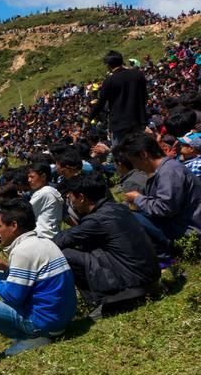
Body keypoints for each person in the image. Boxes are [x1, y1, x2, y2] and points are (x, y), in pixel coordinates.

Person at [0, 200, 77, 357]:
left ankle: (31, 336)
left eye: (0, 226)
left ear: (14, 226)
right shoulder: (43, 242)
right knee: (2, 276)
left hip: (45, 323)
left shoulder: (22, 250)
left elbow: (13, 297)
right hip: (61, 319)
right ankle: (35, 334)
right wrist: (5, 268)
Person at [53, 175, 160, 317]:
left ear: (82, 197)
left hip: (133, 285)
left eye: (70, 198)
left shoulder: (96, 220)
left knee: (65, 254)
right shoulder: (117, 208)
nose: (70, 203)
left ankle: (102, 301)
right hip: (149, 279)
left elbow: (61, 241)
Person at [117, 132, 201, 257]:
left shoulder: (169, 172)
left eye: (134, 162)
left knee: (132, 217)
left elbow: (165, 208)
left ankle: (165, 255)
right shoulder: (165, 170)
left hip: (188, 229)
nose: (135, 167)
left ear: (144, 155)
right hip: (180, 222)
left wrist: (138, 198)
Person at [90, 50, 148, 144]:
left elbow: (101, 103)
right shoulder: (138, 75)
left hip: (119, 124)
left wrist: (90, 117)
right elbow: (145, 96)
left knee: (122, 153)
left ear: (109, 65)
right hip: (138, 120)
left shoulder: (109, 81)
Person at [27, 161, 63, 239]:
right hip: (52, 235)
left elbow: (24, 212)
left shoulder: (44, 193)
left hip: (42, 235)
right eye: (28, 177)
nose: (29, 180)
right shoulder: (51, 190)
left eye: (32, 177)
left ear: (43, 177)